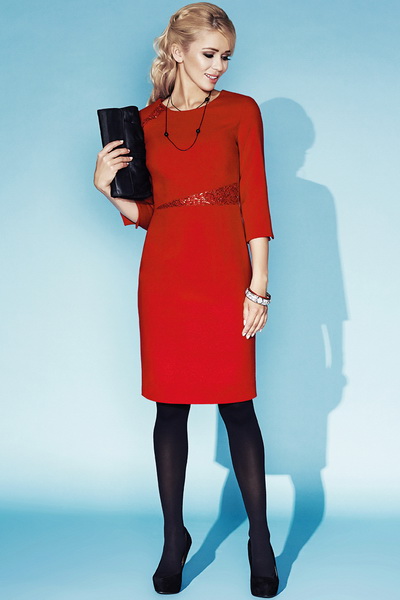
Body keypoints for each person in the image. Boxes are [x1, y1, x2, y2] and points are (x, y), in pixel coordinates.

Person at [93, 2, 279, 597]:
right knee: (169, 410)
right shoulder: (143, 122)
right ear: (178, 51)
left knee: (237, 406)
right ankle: (174, 538)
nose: (220, 65)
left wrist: (258, 287)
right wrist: (106, 190)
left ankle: (259, 538)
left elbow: (256, 201)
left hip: (226, 277)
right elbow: (152, 213)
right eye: (210, 53)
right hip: (166, 281)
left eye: (227, 56)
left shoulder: (241, 112)